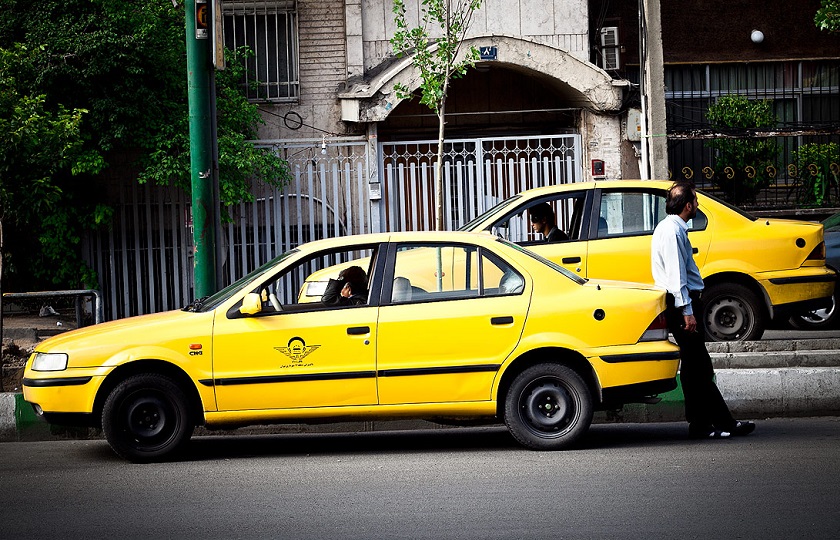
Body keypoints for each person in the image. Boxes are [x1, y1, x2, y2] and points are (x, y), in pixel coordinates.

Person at [651, 182, 755, 439]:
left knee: (692, 367)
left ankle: (699, 424)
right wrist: (687, 311)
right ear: (688, 205)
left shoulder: (670, 228)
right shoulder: (673, 232)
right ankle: (724, 423)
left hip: (681, 303)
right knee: (700, 367)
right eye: (696, 202)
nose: (697, 205)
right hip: (682, 305)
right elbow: (677, 277)